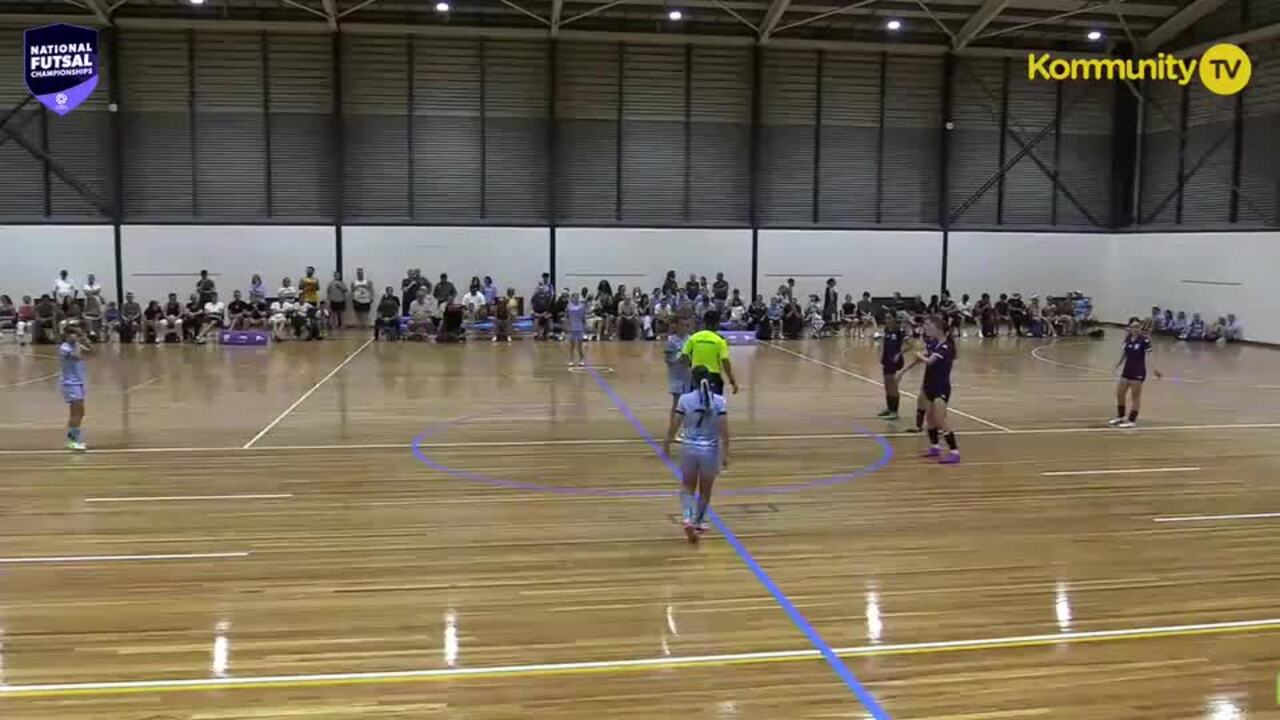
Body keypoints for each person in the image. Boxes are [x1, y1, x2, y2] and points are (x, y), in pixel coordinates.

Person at [662, 366, 730, 542]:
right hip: (710, 450)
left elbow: (675, 423)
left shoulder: (685, 400)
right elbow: (724, 430)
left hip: (689, 449)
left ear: (692, 380)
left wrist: (667, 443)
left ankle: (687, 517)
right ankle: (699, 521)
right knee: (705, 490)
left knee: (687, 486)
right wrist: (726, 454)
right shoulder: (720, 401)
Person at [900, 315, 960, 464]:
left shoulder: (946, 347)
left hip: (941, 387)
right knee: (930, 419)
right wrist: (903, 371)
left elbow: (930, 361)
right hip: (929, 385)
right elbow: (923, 357)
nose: (926, 329)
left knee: (940, 420)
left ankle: (954, 451)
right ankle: (935, 447)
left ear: (938, 329)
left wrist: (918, 354)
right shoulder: (933, 344)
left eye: (929, 326)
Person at [1110, 317, 1161, 428]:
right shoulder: (1127, 339)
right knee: (1120, 394)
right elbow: (1123, 354)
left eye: (1137, 326)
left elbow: (1150, 355)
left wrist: (1155, 369)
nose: (1135, 329)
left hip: (1138, 372)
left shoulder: (1144, 340)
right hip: (1127, 370)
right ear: (1129, 328)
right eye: (1133, 326)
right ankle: (1120, 417)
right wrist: (1116, 365)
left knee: (1135, 397)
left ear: (1140, 327)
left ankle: (1132, 420)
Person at [681, 310, 739, 396]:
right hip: (713, 377)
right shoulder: (720, 340)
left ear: (704, 323)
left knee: (694, 404)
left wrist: (691, 364)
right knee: (715, 405)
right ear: (717, 324)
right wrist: (732, 380)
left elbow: (684, 356)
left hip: (696, 376)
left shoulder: (694, 337)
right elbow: (725, 361)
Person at [58, 324, 90, 451]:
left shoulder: (75, 346)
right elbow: (77, 356)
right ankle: (73, 441)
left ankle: (73, 439)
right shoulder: (65, 347)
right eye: (75, 334)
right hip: (70, 384)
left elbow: (91, 353)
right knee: (78, 413)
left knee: (78, 413)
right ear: (67, 335)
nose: (77, 337)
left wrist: (86, 341)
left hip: (79, 382)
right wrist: (78, 344)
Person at [665, 315, 691, 440]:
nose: (685, 328)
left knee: (689, 405)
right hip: (676, 376)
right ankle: (672, 432)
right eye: (683, 326)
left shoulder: (691, 339)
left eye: (687, 326)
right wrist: (679, 359)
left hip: (689, 376)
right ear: (676, 326)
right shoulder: (671, 340)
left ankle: (685, 431)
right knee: (677, 405)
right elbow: (668, 360)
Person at [877, 312, 907, 420]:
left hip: (895, 361)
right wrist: (881, 355)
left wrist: (899, 354)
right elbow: (884, 344)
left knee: (893, 386)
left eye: (889, 318)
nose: (887, 320)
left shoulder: (899, 331)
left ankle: (895, 412)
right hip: (886, 359)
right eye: (886, 318)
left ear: (894, 319)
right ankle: (889, 408)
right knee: (887, 385)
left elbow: (909, 345)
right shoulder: (886, 330)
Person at [565, 292, 587, 366]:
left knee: (579, 346)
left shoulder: (582, 306)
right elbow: (567, 317)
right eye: (574, 297)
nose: (576, 298)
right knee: (572, 346)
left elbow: (583, 318)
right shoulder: (569, 306)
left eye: (577, 297)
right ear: (571, 298)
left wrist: (584, 327)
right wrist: (567, 326)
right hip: (572, 328)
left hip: (579, 327)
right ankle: (571, 359)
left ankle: (581, 359)